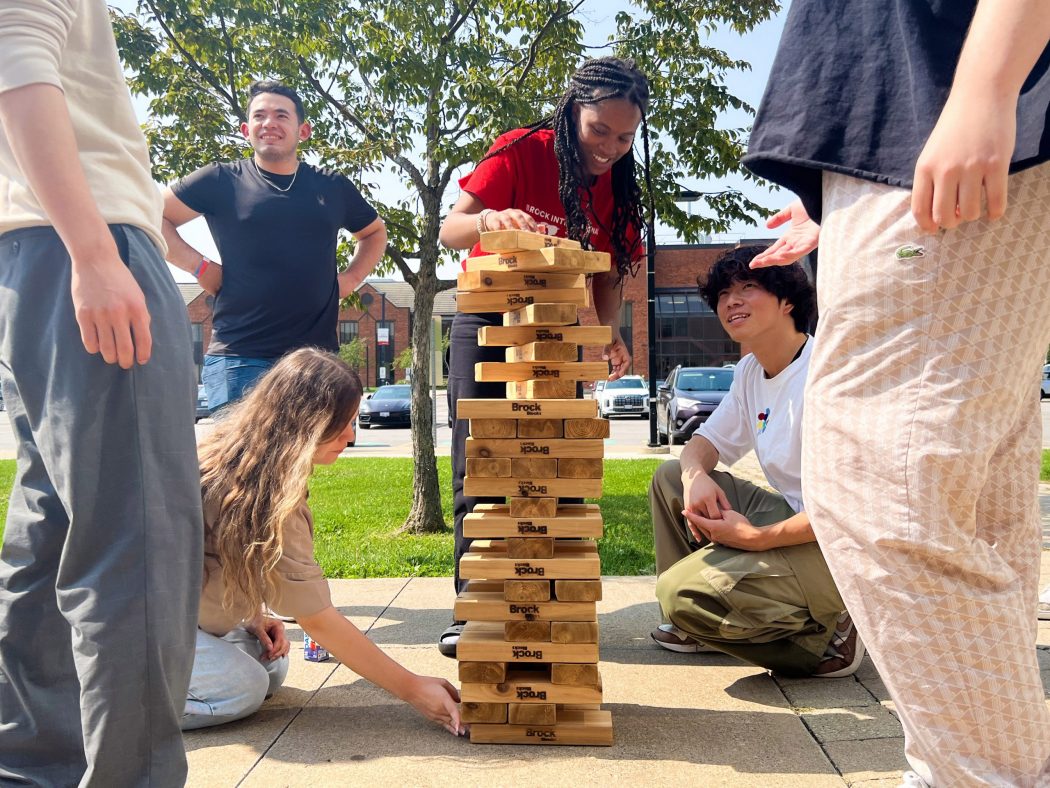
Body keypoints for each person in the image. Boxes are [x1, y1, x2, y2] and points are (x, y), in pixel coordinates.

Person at [743, 2, 1050, 784]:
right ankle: (970, 768)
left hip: (949, 98)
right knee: (973, 504)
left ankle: (982, 774)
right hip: (914, 121)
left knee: (886, 476)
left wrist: (987, 85)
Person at [0, 1, 202, 784]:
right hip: (85, 242)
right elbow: (16, 60)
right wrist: (93, 251)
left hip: (33, 255)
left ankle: (29, 769)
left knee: (51, 532)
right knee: (139, 541)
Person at [436, 56, 651, 657]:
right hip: (487, 321)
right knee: (480, 466)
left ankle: (553, 604)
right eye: (599, 131)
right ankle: (473, 607)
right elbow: (451, 230)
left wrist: (605, 334)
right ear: (572, 112)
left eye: (625, 135)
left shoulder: (620, 188)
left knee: (558, 469)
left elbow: (609, 275)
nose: (610, 146)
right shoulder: (521, 150)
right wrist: (487, 218)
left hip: (556, 337)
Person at [183, 348, 464, 735]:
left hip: (179, 625)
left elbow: (207, 564)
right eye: (342, 423)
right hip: (143, 631)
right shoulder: (263, 494)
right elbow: (317, 619)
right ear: (306, 424)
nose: (351, 435)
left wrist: (252, 616)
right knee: (243, 688)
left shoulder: (249, 470)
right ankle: (122, 706)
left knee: (271, 665)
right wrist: (412, 688)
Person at [650, 247, 859, 677]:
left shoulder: (825, 375)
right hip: (798, 519)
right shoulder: (750, 371)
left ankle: (830, 634)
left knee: (678, 593)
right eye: (724, 293)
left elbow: (848, 510)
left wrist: (756, 539)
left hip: (838, 547)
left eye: (749, 287)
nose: (732, 300)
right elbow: (703, 443)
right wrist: (694, 476)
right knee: (670, 477)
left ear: (787, 301)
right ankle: (698, 625)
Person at [162, 80, 387, 413]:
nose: (269, 123)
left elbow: (374, 233)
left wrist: (351, 279)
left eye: (281, 115)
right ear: (246, 129)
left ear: (303, 130)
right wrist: (199, 266)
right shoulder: (221, 180)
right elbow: (151, 217)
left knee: (300, 465)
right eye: (259, 116)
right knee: (242, 464)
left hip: (313, 359)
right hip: (239, 356)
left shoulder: (332, 186)